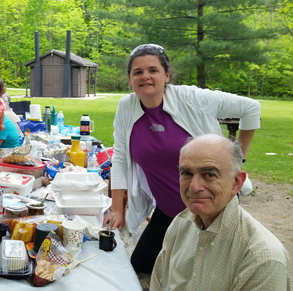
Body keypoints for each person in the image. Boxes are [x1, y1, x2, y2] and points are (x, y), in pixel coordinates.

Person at [103, 43, 261, 274]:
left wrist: (237, 162)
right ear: (130, 79)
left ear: (167, 75)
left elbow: (251, 108)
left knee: (201, 276)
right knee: (141, 265)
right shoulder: (126, 107)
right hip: (168, 211)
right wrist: (117, 207)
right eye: (138, 72)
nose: (145, 76)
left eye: (153, 70)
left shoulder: (193, 98)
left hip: (209, 211)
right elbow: (120, 157)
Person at [151, 134, 292, 290]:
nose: (194, 186)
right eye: (187, 173)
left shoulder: (263, 259)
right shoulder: (181, 223)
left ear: (236, 182)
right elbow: (159, 282)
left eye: (210, 174)